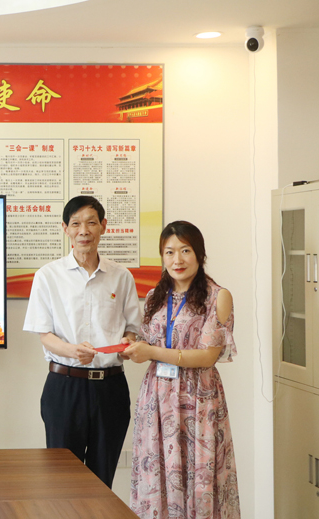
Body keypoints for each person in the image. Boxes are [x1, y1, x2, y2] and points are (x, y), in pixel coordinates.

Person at [123, 221, 240, 518]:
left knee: (199, 474)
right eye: (169, 252)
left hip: (198, 398)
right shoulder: (155, 296)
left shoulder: (218, 296)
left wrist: (152, 352)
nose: (177, 259)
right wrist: (132, 346)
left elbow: (207, 356)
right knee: (158, 472)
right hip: (157, 397)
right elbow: (149, 341)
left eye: (185, 250)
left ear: (199, 254)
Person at [23, 195, 140, 488]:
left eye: (91, 223)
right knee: (62, 480)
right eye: (75, 224)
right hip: (65, 387)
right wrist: (72, 351)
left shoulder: (121, 276)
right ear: (65, 229)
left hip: (110, 389)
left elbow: (132, 329)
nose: (83, 231)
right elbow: (44, 334)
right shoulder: (48, 276)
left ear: (103, 226)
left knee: (102, 479)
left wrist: (127, 343)